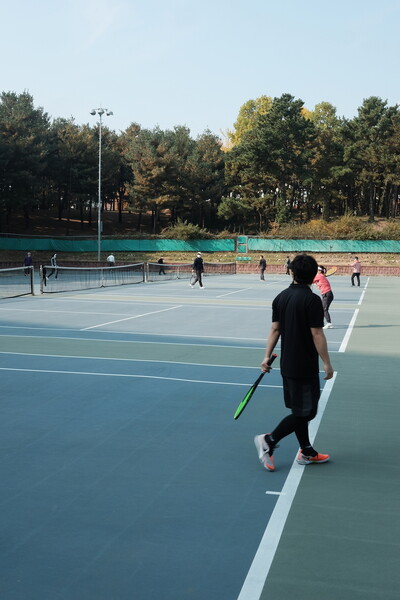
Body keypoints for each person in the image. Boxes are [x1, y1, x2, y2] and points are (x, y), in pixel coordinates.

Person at [254, 253, 334, 472]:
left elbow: (275, 329)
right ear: (312, 276)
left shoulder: (280, 297)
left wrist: (265, 357)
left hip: (287, 364)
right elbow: (317, 334)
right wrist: (327, 363)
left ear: (292, 272)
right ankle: (269, 441)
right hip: (305, 365)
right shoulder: (312, 300)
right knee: (306, 413)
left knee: (300, 409)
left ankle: (306, 451)